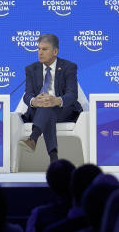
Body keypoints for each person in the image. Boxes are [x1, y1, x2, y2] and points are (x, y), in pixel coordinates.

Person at [18, 33, 81, 164]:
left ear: (55, 51)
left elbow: (72, 94)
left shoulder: (69, 67)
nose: (40, 53)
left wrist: (56, 100)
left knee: (49, 107)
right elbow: (27, 95)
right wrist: (34, 101)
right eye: (39, 49)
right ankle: (53, 158)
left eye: (44, 49)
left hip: (63, 110)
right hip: (39, 110)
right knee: (46, 108)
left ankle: (33, 139)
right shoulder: (31, 69)